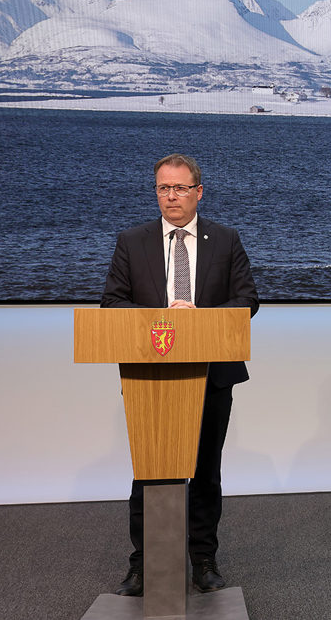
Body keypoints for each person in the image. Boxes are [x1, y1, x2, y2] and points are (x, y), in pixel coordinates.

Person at [102, 153, 259, 595]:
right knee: (151, 472)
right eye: (163, 188)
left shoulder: (225, 240)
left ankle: (204, 560)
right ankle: (143, 565)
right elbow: (112, 303)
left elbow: (247, 300)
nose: (171, 196)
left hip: (212, 375)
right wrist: (162, 317)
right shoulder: (132, 241)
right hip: (150, 379)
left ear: (198, 192)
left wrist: (199, 317)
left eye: (180, 188)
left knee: (205, 471)